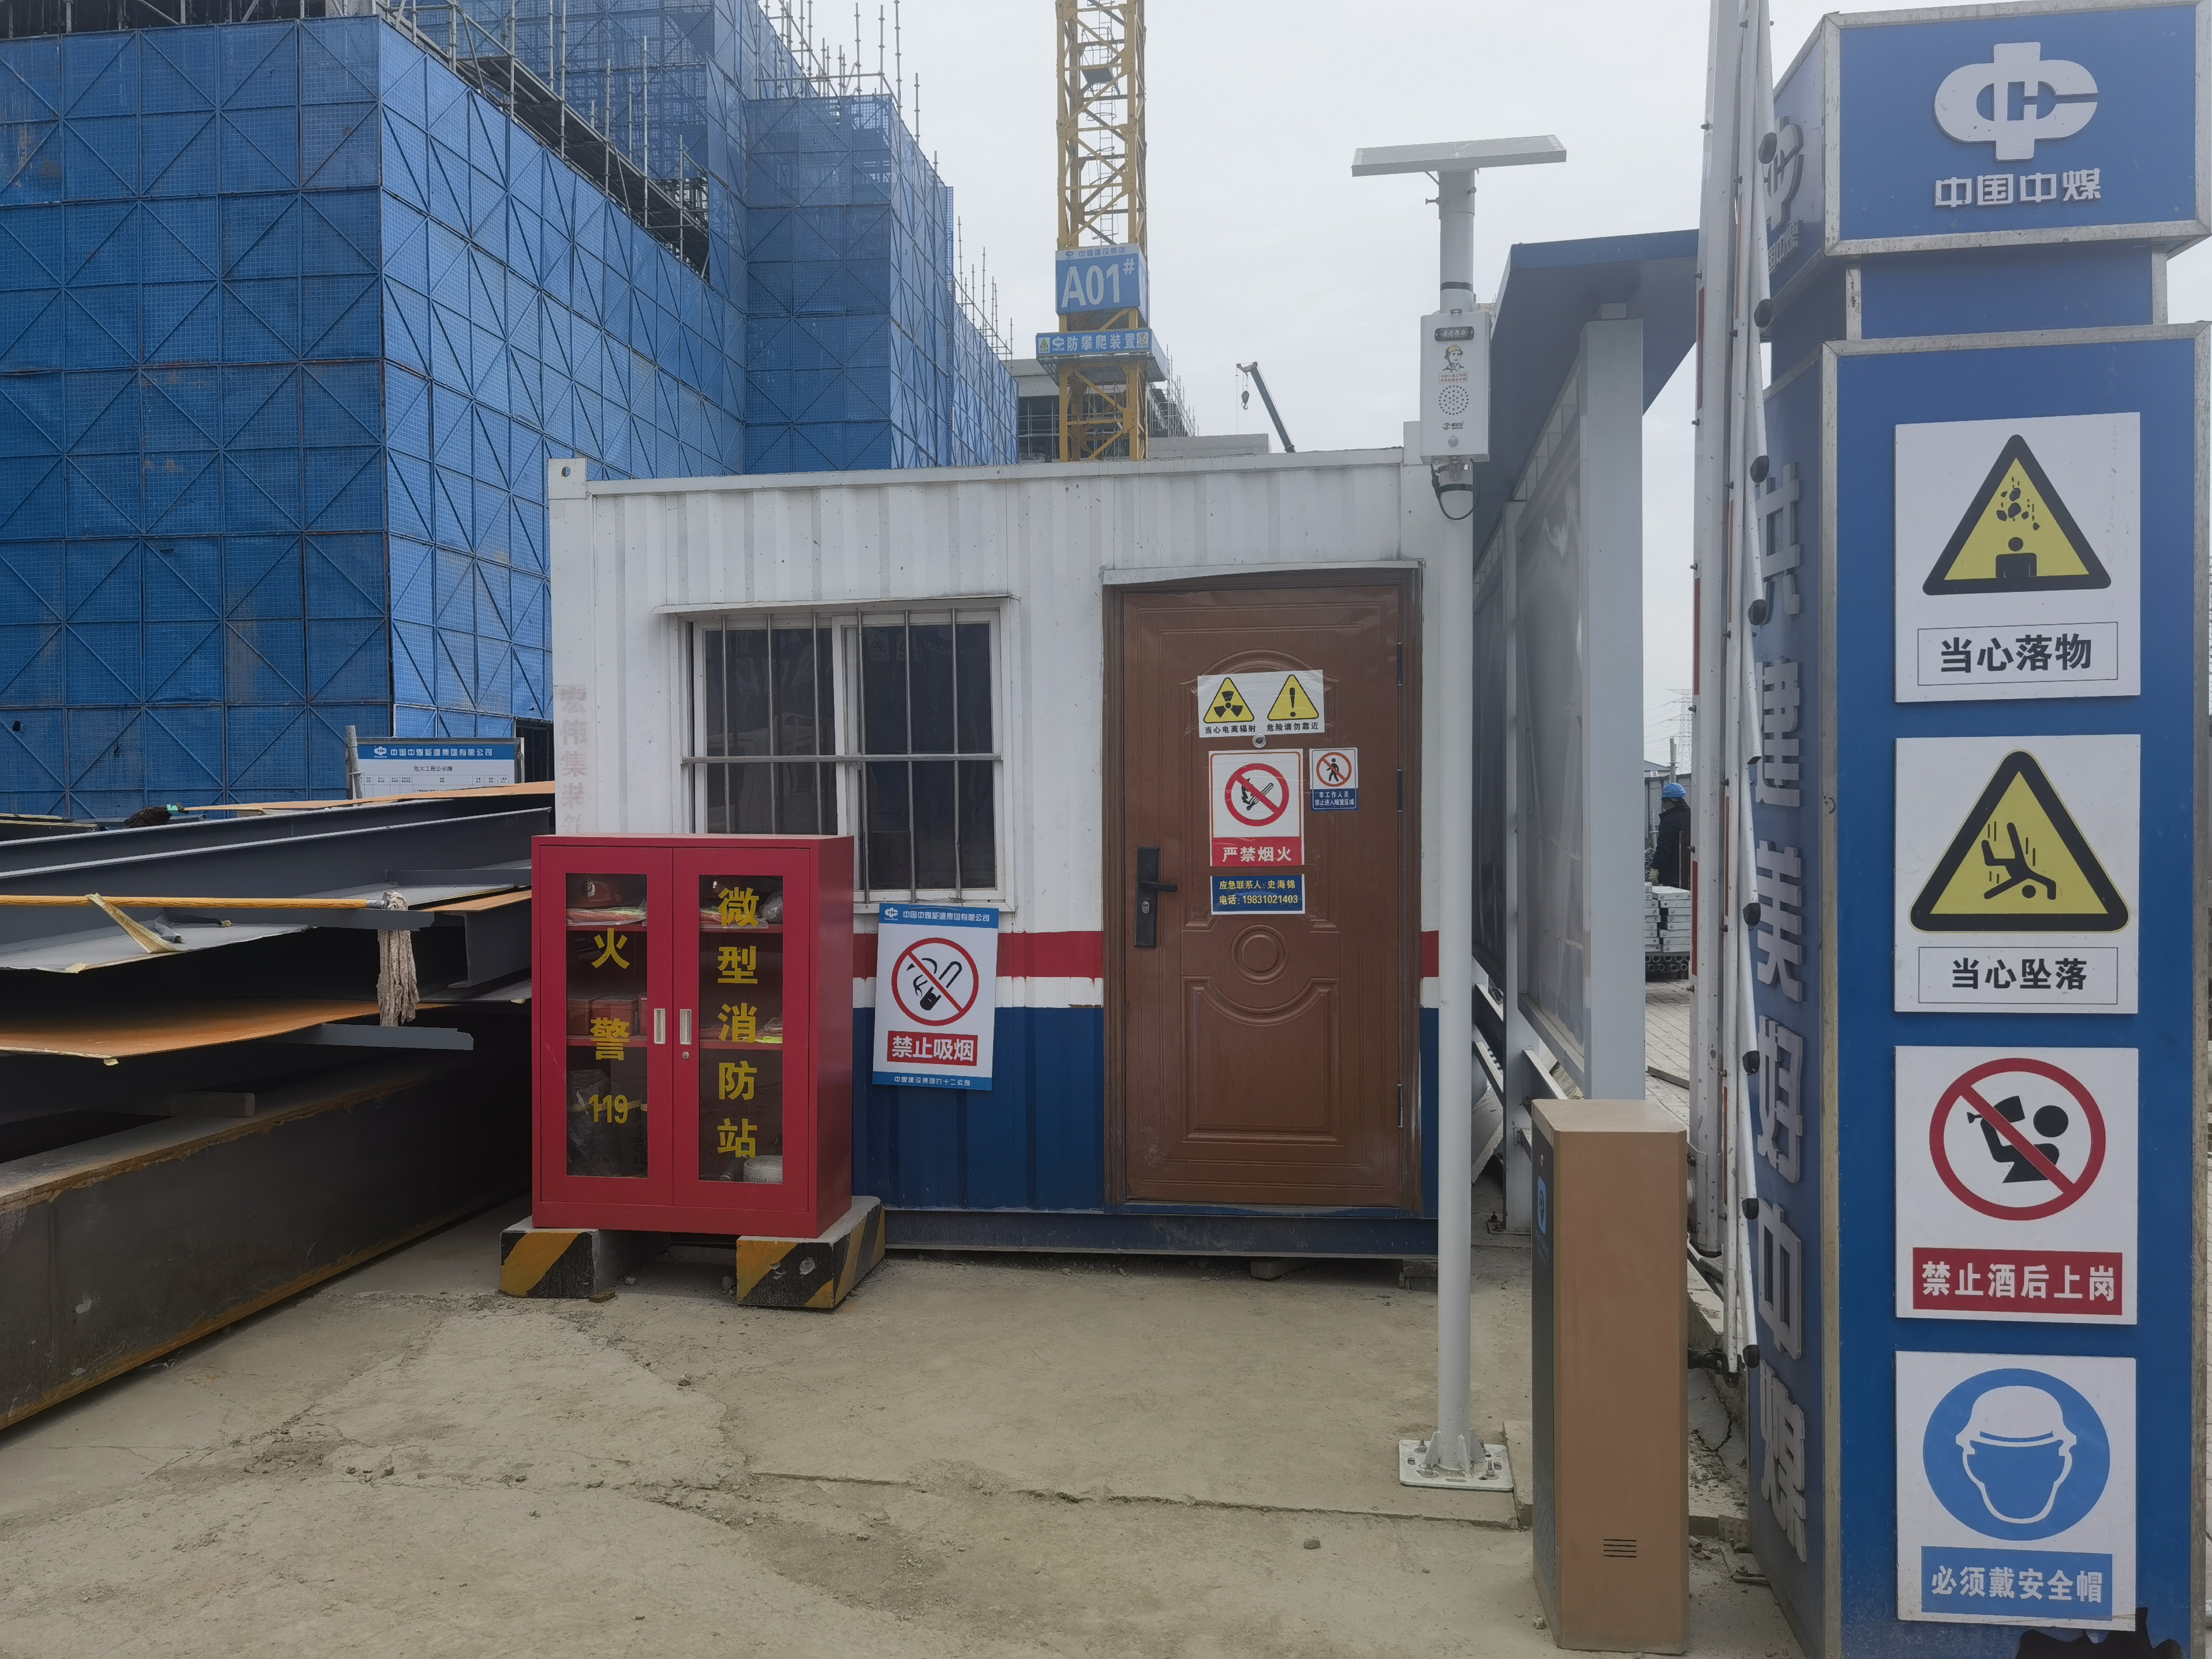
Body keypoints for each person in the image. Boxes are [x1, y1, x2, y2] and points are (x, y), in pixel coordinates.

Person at [1652, 780, 1690, 888]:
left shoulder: (1668, 821)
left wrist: (1655, 868)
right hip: (1691, 874)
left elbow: (1664, 848)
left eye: (1664, 802)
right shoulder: (1694, 816)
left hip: (1672, 877)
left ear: (1669, 802)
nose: (1664, 806)